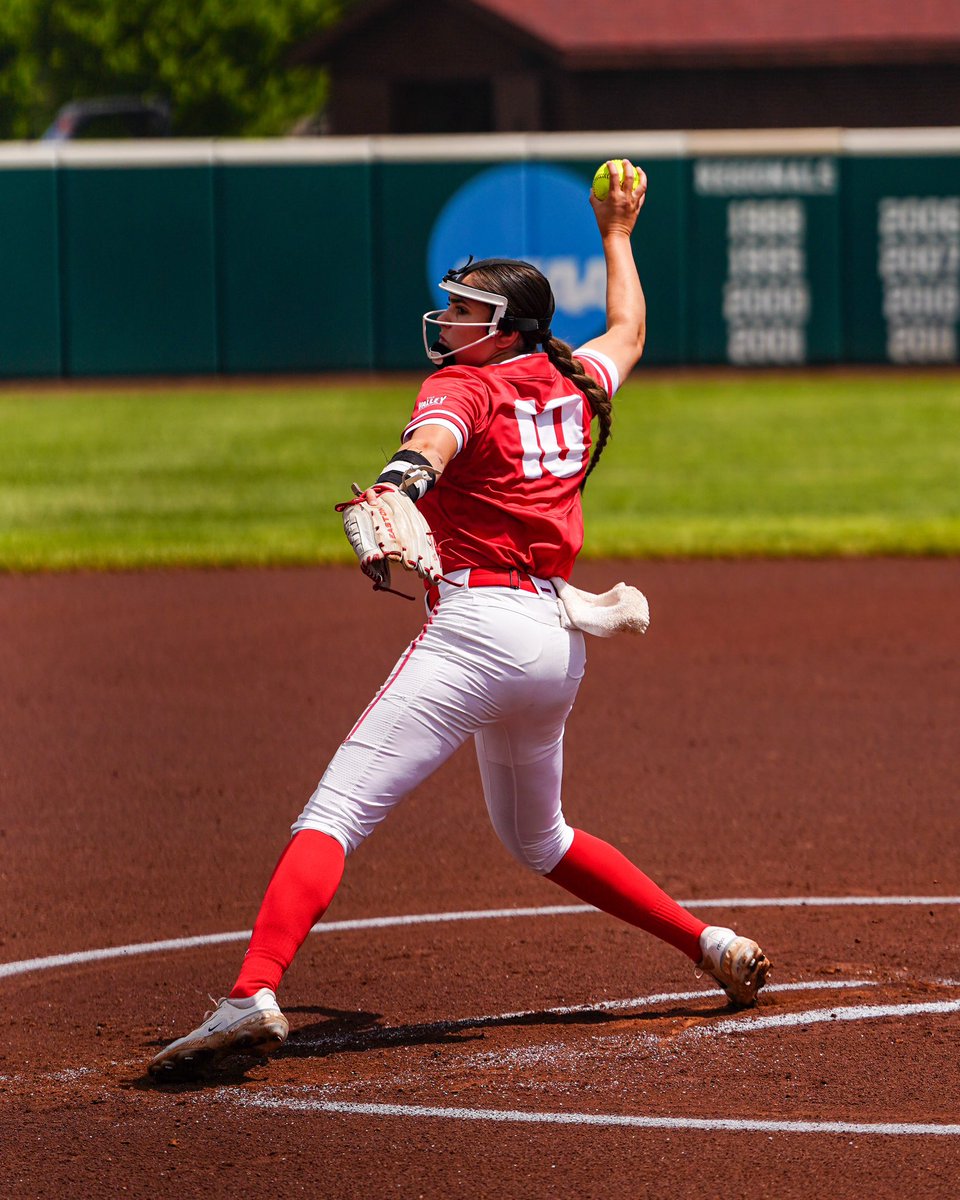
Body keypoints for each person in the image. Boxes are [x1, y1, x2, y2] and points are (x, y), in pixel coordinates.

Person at [148, 160, 770, 1080]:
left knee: (336, 811)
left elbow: (427, 447)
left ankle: (250, 994)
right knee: (540, 838)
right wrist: (618, 233)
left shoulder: (462, 388)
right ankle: (710, 944)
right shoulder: (574, 381)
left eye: (469, 310)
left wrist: (404, 482)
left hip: (478, 629)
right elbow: (630, 328)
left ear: (507, 326)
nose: (450, 320)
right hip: (556, 643)